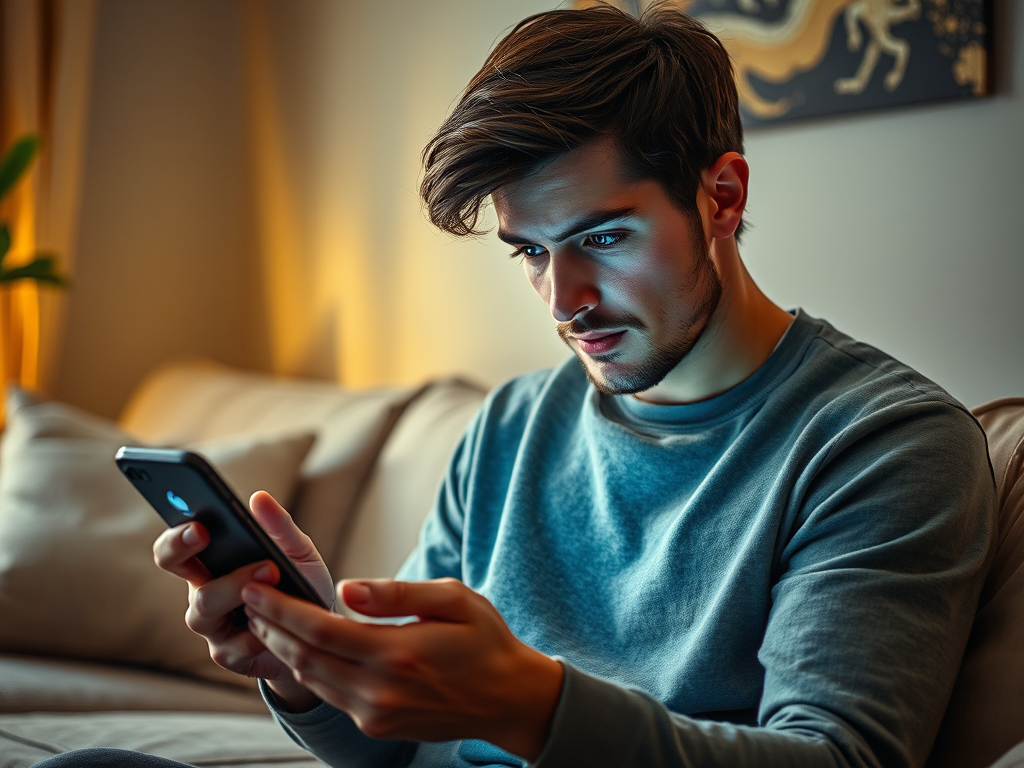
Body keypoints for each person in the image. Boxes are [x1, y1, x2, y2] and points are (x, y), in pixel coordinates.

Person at [42, 4, 995, 768]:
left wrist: (533, 707)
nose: (565, 300)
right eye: (531, 253)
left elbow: (836, 756)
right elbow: (396, 747)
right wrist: (306, 669)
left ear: (723, 197)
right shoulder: (512, 425)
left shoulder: (884, 443)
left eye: (603, 238)